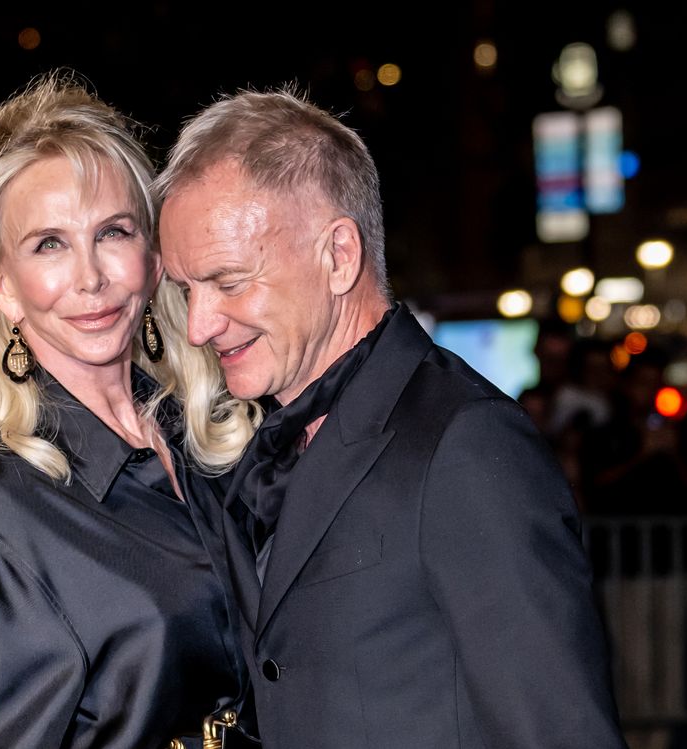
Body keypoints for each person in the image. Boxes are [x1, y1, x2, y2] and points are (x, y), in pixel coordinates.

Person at [154, 86, 628, 748]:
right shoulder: (267, 444)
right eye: (184, 289)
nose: (199, 324)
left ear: (340, 255)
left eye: (228, 282)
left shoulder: (465, 444)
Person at [0, 70, 260, 749]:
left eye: (113, 232)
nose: (91, 277)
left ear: (154, 258)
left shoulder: (213, 445)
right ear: (1, 285)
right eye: (49, 243)